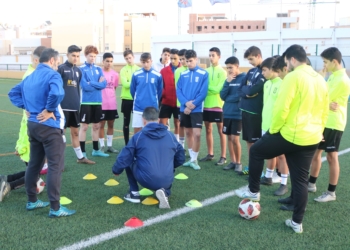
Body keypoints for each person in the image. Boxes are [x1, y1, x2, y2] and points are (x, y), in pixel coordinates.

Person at [235, 45, 329, 233]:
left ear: (292, 59)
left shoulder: (293, 77)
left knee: (255, 151)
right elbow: (324, 108)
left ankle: (253, 191)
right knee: (301, 180)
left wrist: (273, 131)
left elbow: (281, 108)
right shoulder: (320, 79)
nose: (286, 65)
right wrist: (320, 130)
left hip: (291, 134)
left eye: (286, 61)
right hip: (312, 136)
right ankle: (296, 223)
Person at [8, 48, 76, 217]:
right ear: (52, 60)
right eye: (58, 62)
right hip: (49, 127)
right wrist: (49, 109)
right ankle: (55, 208)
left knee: (34, 164)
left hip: (33, 126)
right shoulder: (52, 75)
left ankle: (32, 201)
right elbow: (58, 92)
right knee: (55, 166)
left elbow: (12, 93)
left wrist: (26, 107)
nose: (58, 65)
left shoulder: (30, 76)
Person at [112, 107, 185, 209]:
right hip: (167, 179)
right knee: (167, 166)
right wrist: (171, 165)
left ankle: (134, 194)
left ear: (143, 120)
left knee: (129, 159)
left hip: (146, 179)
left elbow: (124, 157)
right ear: (158, 120)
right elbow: (181, 158)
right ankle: (165, 191)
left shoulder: (138, 137)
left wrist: (116, 170)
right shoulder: (170, 136)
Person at [0, 46, 47, 201]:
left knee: (35, 166)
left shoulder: (33, 73)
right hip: (33, 126)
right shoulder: (32, 75)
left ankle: (5, 178)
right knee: (36, 167)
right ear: (36, 60)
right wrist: (28, 108)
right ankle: (9, 186)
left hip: (31, 125)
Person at [309, 47, 350, 202]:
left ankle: (331, 192)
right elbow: (323, 98)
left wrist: (324, 103)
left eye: (326, 62)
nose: (324, 65)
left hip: (334, 123)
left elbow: (320, 98)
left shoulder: (342, 80)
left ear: (334, 61)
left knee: (332, 157)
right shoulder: (333, 76)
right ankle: (311, 184)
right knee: (316, 153)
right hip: (324, 121)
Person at [57, 45, 95, 164]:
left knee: (75, 133)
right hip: (62, 108)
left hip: (74, 107)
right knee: (60, 136)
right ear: (67, 55)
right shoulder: (60, 69)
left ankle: (80, 158)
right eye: (73, 55)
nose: (75, 58)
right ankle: (57, 162)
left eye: (77, 56)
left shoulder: (78, 71)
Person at [259, 57, 288, 197]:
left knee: (282, 155)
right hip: (265, 124)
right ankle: (268, 177)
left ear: (272, 69)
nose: (262, 73)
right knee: (269, 152)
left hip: (278, 126)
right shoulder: (266, 84)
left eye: (264, 70)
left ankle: (284, 184)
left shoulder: (283, 84)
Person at [177, 50, 209, 170]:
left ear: (196, 60)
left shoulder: (203, 74)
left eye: (191, 61)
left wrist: (192, 105)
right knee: (188, 133)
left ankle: (195, 160)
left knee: (197, 134)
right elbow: (178, 91)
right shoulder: (182, 74)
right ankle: (191, 159)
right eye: (187, 61)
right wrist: (185, 103)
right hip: (184, 108)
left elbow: (203, 92)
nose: (189, 63)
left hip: (196, 109)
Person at [237, 46, 265, 175]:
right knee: (249, 141)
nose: (250, 62)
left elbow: (253, 90)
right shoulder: (251, 71)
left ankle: (259, 169)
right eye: (248, 60)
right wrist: (247, 92)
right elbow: (241, 88)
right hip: (245, 110)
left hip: (256, 112)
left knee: (256, 142)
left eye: (251, 59)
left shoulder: (265, 71)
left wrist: (248, 91)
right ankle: (250, 166)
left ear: (258, 56)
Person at [79, 45, 108, 158]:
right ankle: (82, 152)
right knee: (84, 127)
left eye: (94, 56)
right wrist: (97, 84)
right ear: (86, 55)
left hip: (97, 102)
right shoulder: (81, 69)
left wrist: (92, 83)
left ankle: (96, 150)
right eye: (90, 56)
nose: (92, 58)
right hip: (86, 102)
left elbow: (104, 85)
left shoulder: (98, 69)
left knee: (96, 126)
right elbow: (85, 87)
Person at [200, 47, 227, 165]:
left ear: (219, 57)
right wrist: (210, 90)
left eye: (213, 55)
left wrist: (209, 89)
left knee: (221, 131)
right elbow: (203, 88)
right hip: (206, 104)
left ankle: (223, 156)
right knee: (208, 129)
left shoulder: (223, 72)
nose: (211, 58)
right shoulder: (206, 71)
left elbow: (219, 89)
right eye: (210, 55)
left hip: (218, 105)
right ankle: (210, 154)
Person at [220, 56, 245, 172]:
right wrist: (227, 82)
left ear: (237, 66)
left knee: (235, 139)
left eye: (231, 67)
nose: (229, 70)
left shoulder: (244, 78)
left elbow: (241, 95)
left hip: (238, 114)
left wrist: (230, 98)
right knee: (229, 137)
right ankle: (232, 161)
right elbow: (222, 96)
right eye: (227, 68)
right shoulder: (228, 79)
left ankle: (239, 163)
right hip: (227, 113)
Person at [130, 53, 163, 134]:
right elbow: (132, 91)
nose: (145, 64)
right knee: (137, 130)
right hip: (138, 107)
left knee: (152, 130)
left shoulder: (158, 75)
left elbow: (160, 91)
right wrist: (139, 99)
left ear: (151, 61)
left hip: (152, 107)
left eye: (147, 62)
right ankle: (138, 146)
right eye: (143, 62)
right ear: (141, 62)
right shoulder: (136, 74)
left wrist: (153, 100)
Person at [99, 52, 119, 153]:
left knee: (111, 124)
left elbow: (114, 87)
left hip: (111, 103)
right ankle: (102, 146)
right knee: (101, 124)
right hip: (101, 104)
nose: (109, 63)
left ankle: (110, 146)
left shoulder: (115, 74)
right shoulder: (99, 73)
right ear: (103, 61)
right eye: (107, 61)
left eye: (111, 61)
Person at [120, 50, 140, 145]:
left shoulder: (139, 69)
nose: (128, 60)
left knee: (138, 123)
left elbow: (140, 84)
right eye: (126, 58)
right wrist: (134, 83)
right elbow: (125, 84)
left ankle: (137, 143)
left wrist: (130, 81)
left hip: (137, 100)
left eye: (130, 58)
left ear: (133, 57)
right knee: (126, 123)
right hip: (126, 99)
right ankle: (127, 144)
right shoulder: (123, 70)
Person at [159, 49, 181, 137]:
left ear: (179, 58)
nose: (172, 60)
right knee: (162, 124)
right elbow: (161, 86)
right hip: (166, 101)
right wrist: (163, 95)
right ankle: (163, 143)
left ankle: (178, 144)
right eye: (171, 58)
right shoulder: (163, 71)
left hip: (178, 103)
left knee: (177, 124)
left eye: (175, 58)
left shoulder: (183, 70)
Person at [175, 49, 188, 151]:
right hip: (181, 104)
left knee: (191, 128)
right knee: (181, 124)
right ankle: (181, 147)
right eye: (181, 59)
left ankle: (191, 149)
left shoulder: (194, 70)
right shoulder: (178, 70)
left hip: (193, 104)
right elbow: (178, 88)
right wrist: (184, 101)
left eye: (184, 59)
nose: (182, 61)